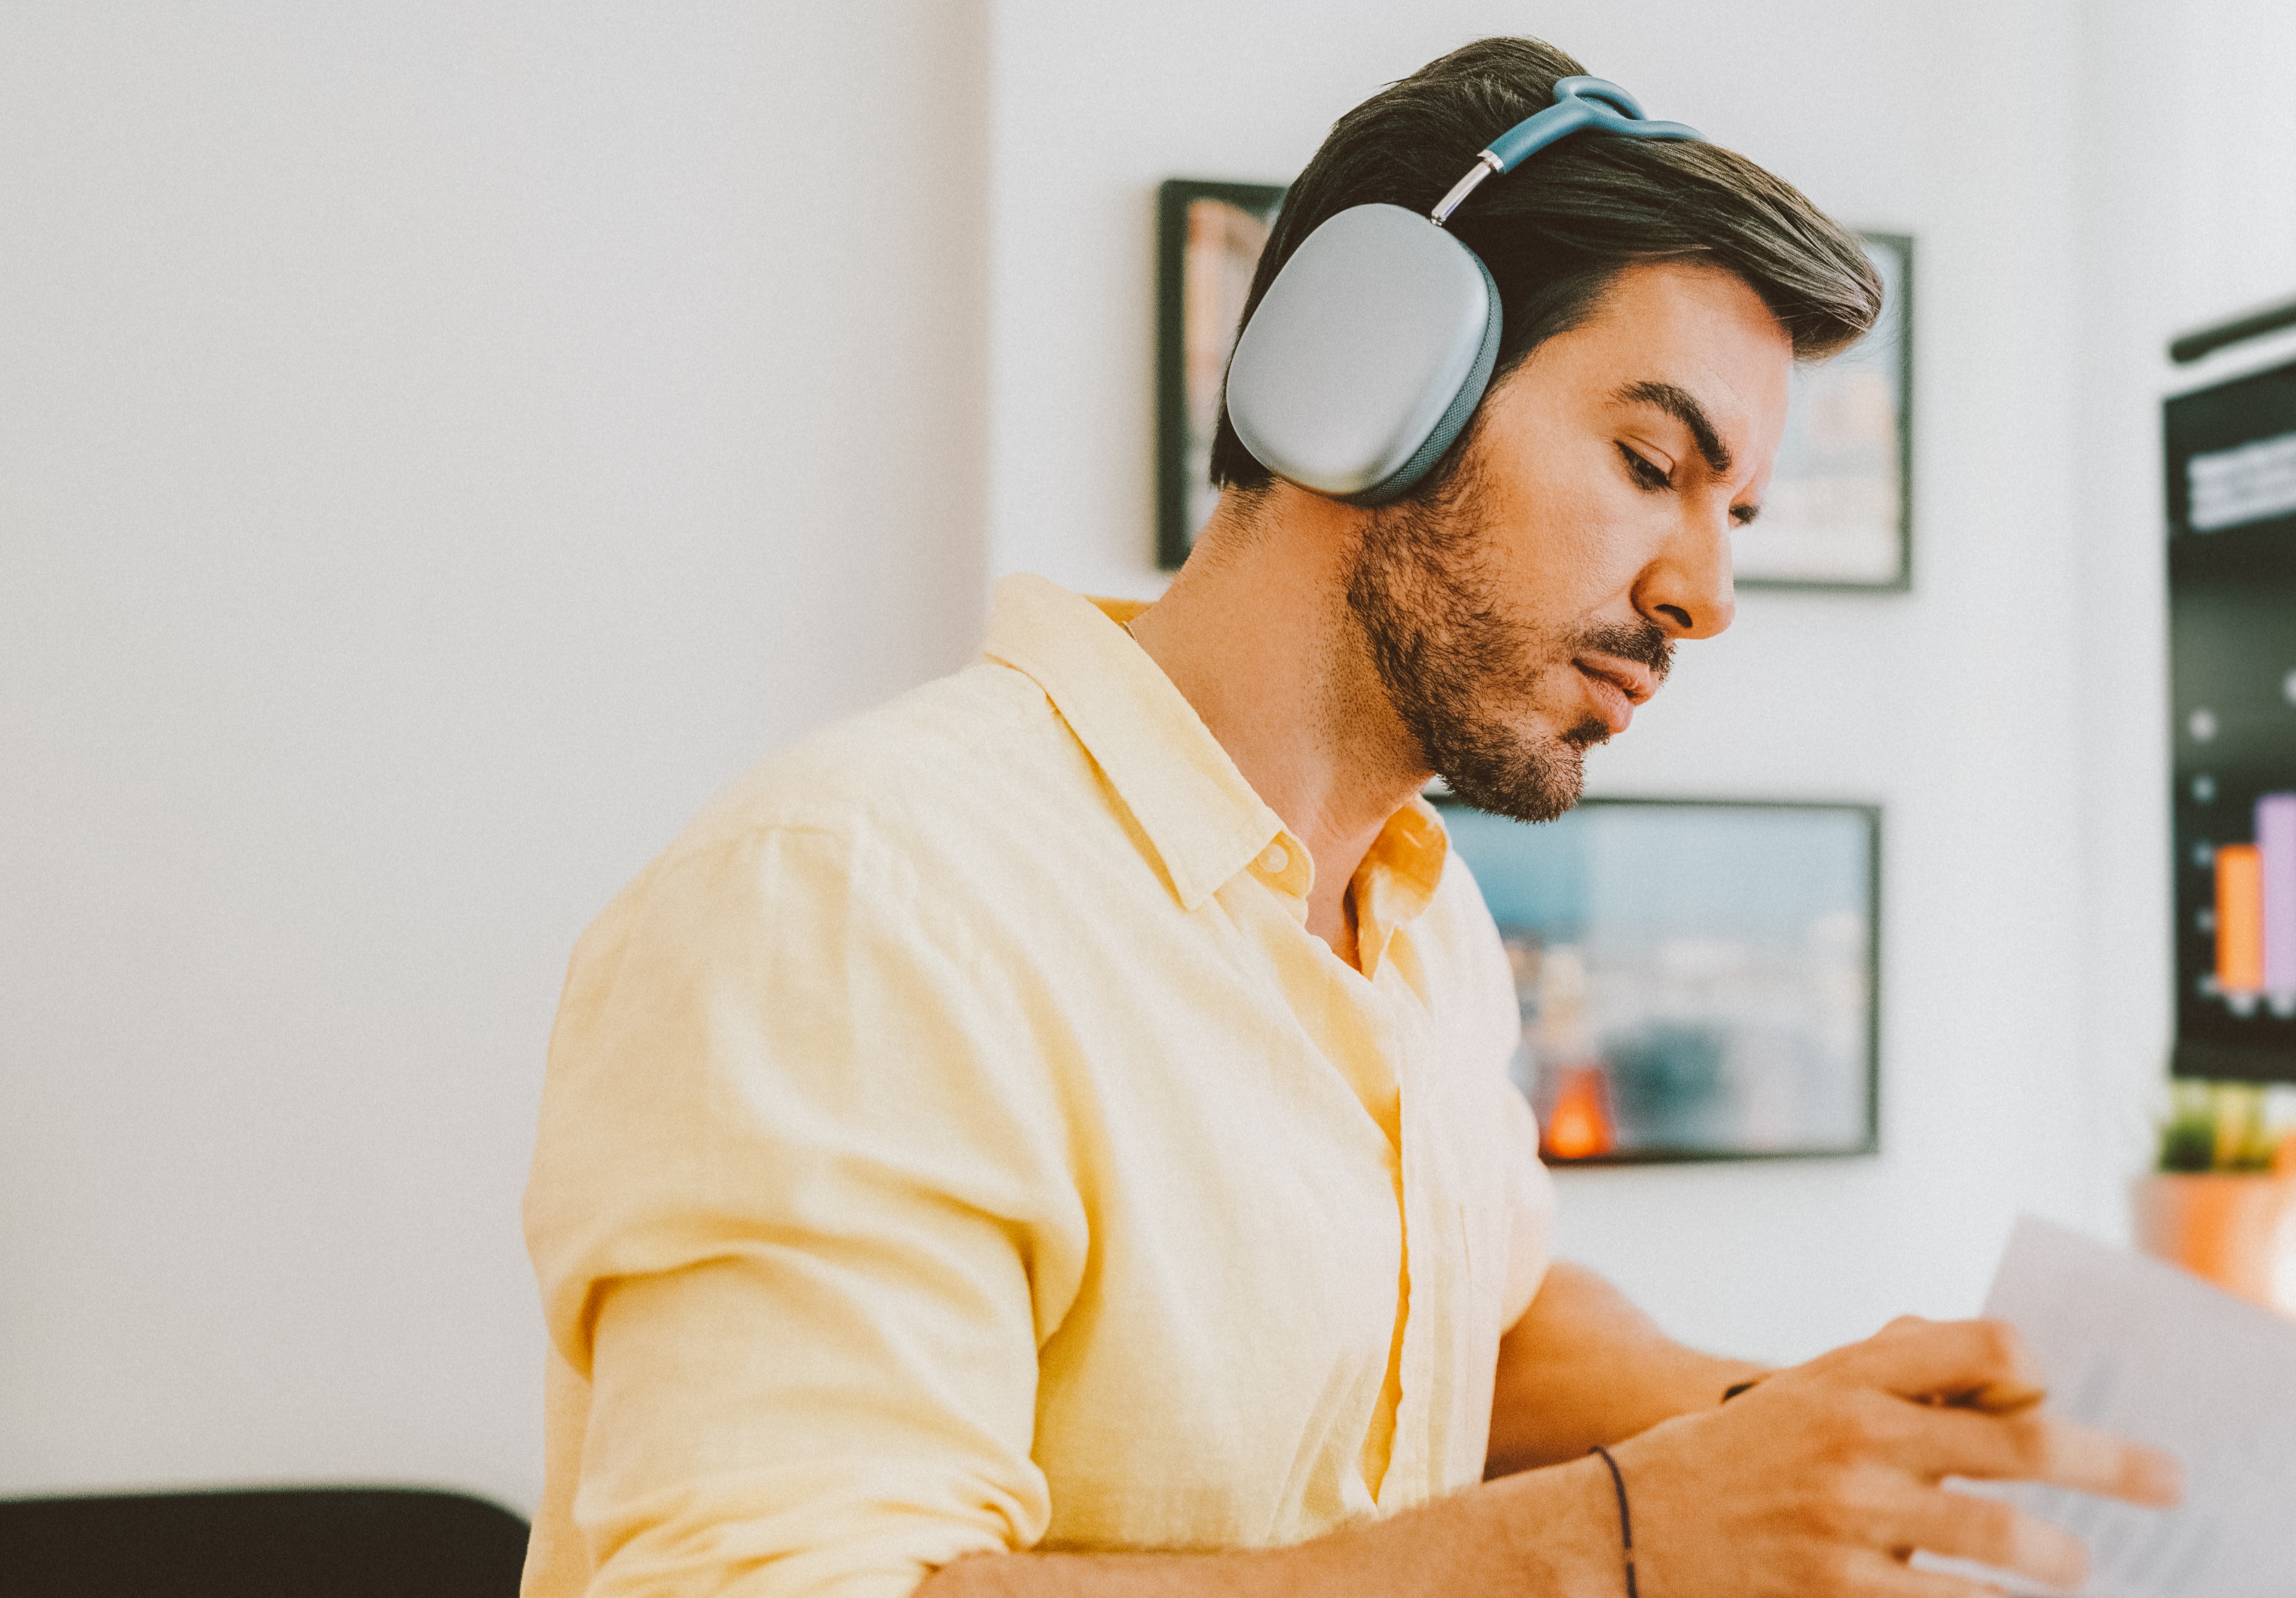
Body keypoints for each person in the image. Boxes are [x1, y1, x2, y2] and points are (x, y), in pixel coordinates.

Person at [519, 36, 2174, 1598]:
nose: (1707, 594)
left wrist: (1809, 1436)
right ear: (1373, 378)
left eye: (1736, 514)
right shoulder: (860, 900)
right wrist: (1620, 1544)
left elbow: (1476, 1325)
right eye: (1653, 463)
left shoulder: (1416, 914)